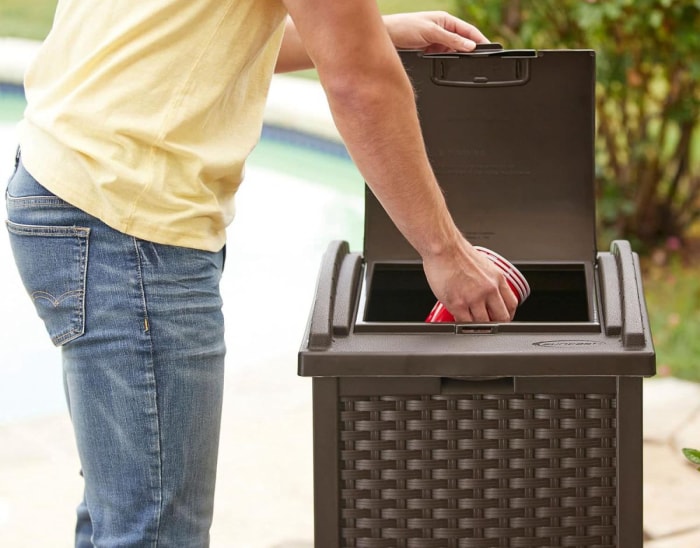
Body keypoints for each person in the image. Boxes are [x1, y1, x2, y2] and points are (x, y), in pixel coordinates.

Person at [5, 1, 518, 546]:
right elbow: (360, 81)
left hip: (67, 177)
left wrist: (375, 31)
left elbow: (201, 34)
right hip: (127, 216)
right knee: (152, 530)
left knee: (125, 511)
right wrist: (445, 251)